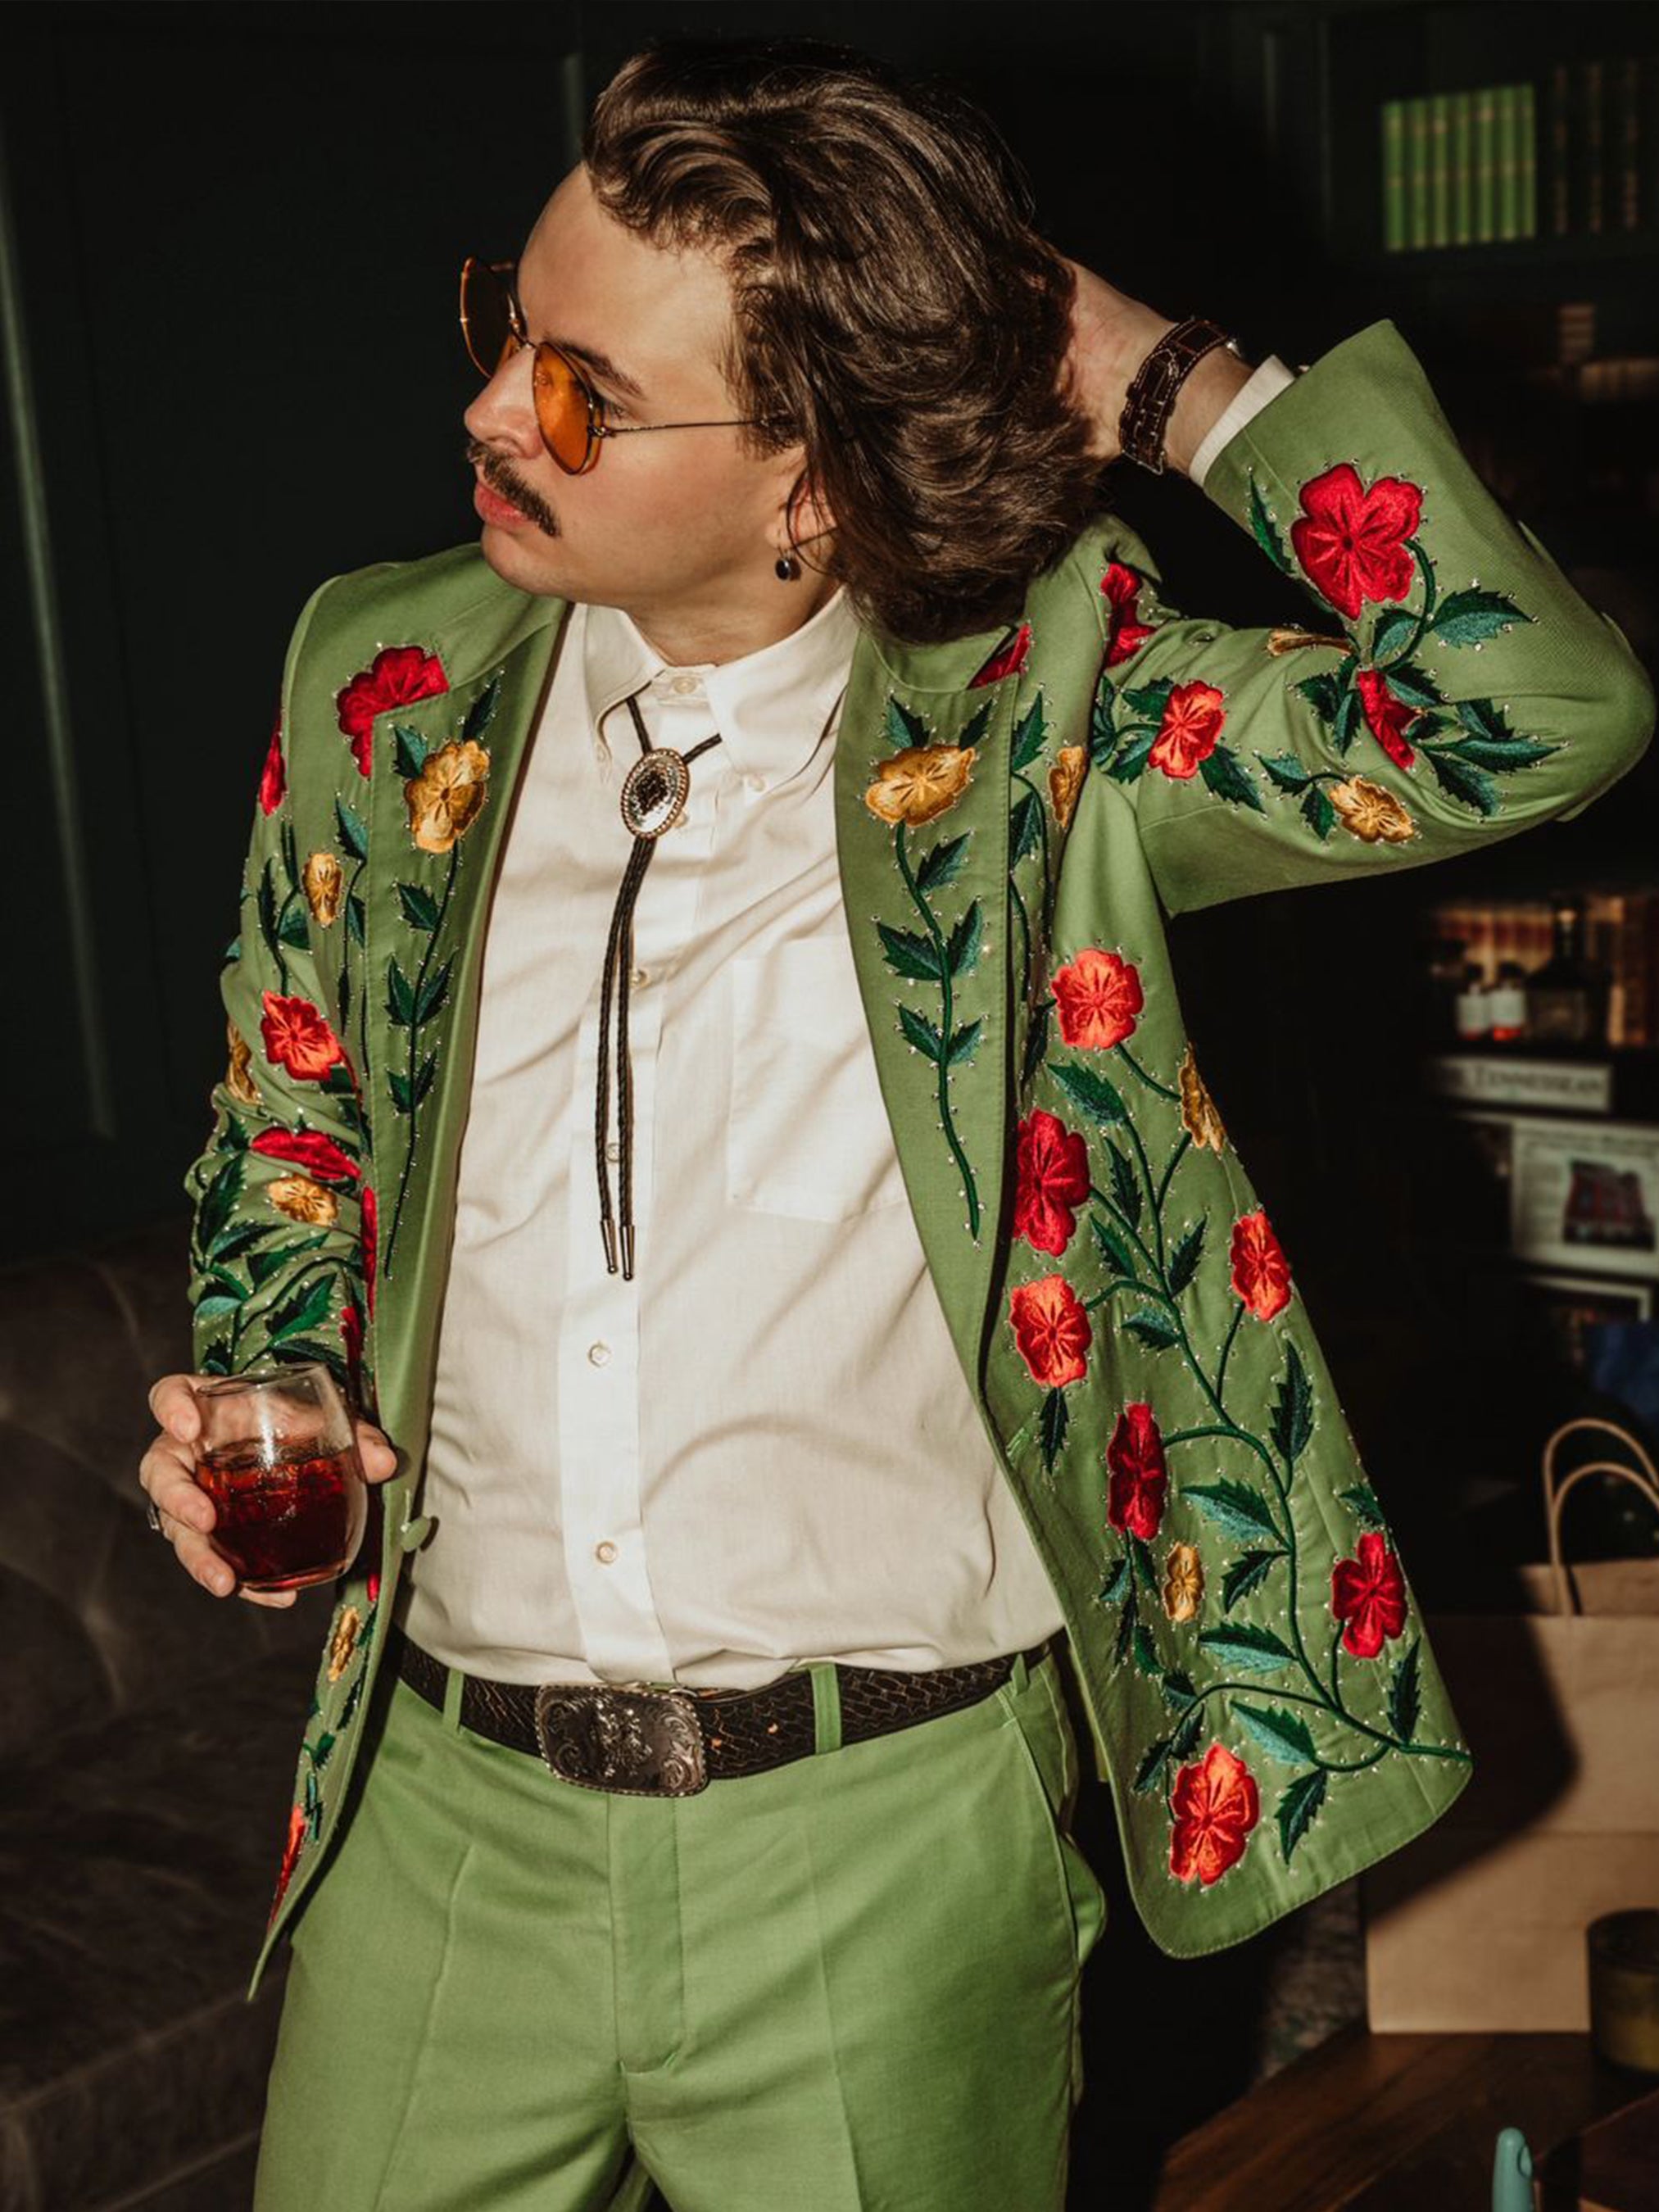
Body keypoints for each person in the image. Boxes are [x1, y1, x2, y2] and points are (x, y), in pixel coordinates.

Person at [138, 34, 1653, 2212]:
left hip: (882, 1838)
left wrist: (1132, 365)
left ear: (812, 485)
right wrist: (259, 1369)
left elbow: (1531, 709)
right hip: (438, 1823)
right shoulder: (378, 679)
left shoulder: (1051, 711)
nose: (487, 412)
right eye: (505, 328)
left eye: (580, 390)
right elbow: (290, 1113)